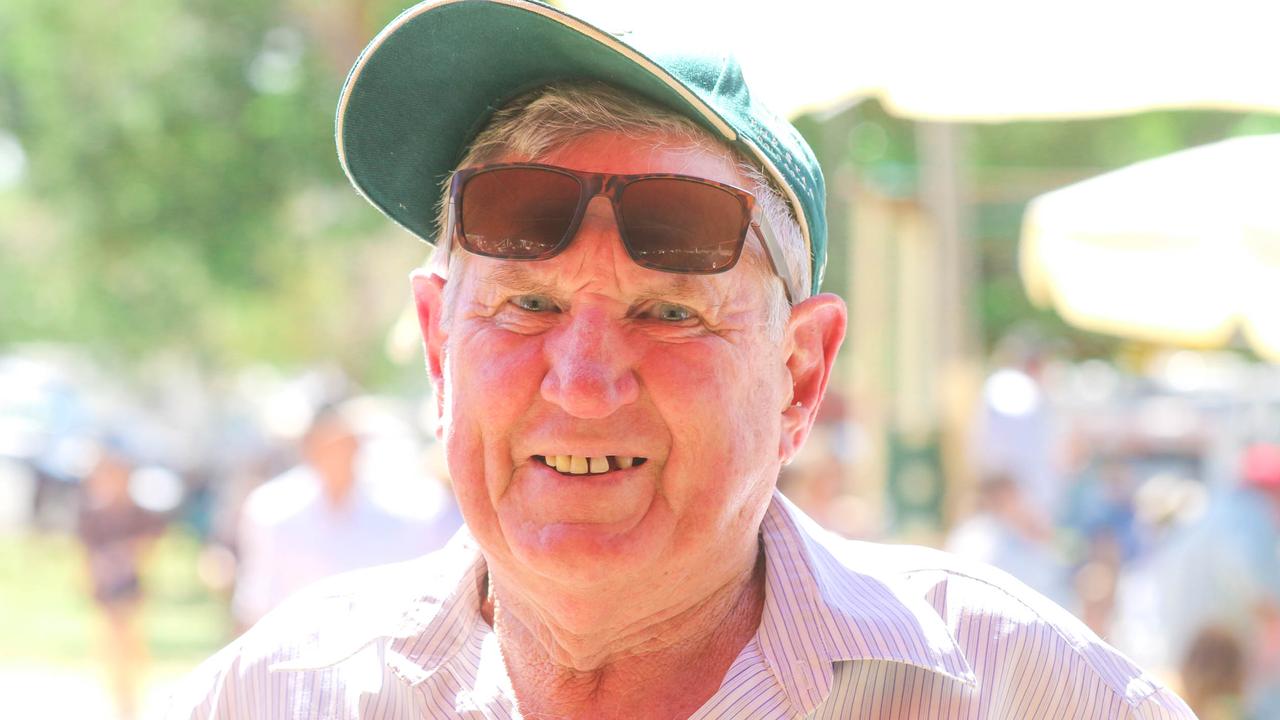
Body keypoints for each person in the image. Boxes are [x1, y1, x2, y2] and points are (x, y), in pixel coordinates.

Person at [170, 1, 1194, 717]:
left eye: (666, 313)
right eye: (526, 303)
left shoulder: (1025, 696)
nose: (580, 381)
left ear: (799, 375)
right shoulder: (275, 697)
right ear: (439, 345)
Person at [232, 402, 462, 628]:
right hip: (292, 648)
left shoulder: (402, 508)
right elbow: (256, 603)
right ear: (310, 445)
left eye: (347, 442)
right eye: (330, 442)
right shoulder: (272, 508)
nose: (341, 451)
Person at [76, 439, 165, 720]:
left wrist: (124, 556)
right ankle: (119, 694)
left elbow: (148, 546)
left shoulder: (136, 512)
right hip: (105, 583)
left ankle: (130, 694)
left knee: (128, 637)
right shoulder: (91, 514)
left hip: (129, 582)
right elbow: (86, 553)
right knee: (110, 637)